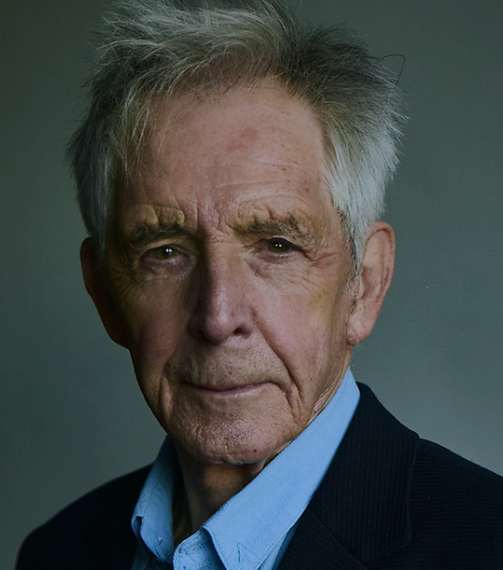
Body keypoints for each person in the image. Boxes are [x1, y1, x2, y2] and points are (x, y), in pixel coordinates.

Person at [16, 0, 503, 568]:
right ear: (104, 294)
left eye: (277, 245)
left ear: (364, 284)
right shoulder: (57, 552)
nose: (219, 318)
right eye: (166, 251)